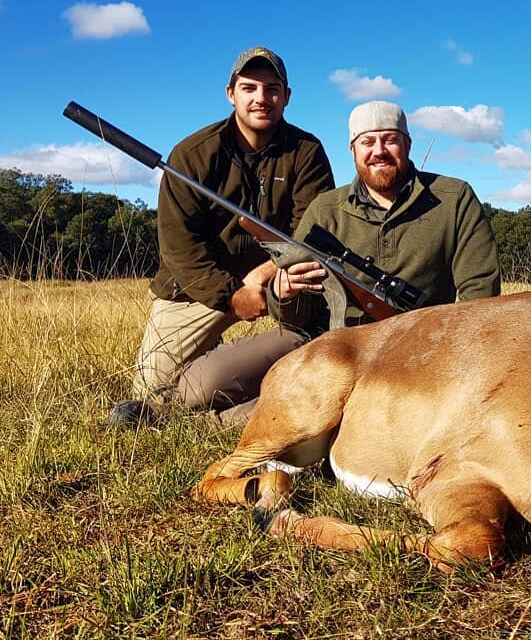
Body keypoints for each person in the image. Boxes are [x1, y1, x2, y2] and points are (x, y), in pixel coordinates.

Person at [178, 100, 501, 423]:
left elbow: (480, 294)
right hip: (321, 338)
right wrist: (284, 293)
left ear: (407, 144)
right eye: (367, 142)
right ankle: (171, 405)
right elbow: (294, 319)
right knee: (200, 386)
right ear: (352, 149)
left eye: (390, 139)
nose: (379, 151)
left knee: (330, 411)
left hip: (415, 351)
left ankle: (210, 424)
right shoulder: (325, 209)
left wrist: (448, 359)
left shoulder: (454, 198)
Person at [109, 46, 335, 427]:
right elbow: (181, 250)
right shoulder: (192, 155)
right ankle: (215, 368)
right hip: (198, 291)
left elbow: (310, 231)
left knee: (323, 353)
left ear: (287, 96)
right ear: (231, 93)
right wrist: (231, 294)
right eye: (249, 88)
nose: (261, 98)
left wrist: (262, 277)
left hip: (278, 281)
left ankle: (268, 382)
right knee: (153, 399)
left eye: (272, 88)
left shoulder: (307, 151)